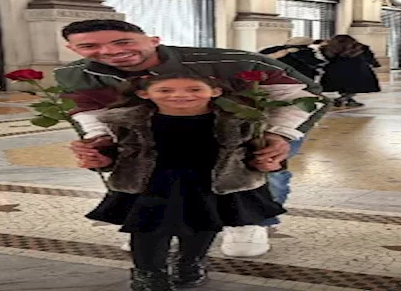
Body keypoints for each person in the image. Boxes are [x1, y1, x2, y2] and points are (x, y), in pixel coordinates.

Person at [55, 20, 328, 257]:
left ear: (153, 41)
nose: (110, 51)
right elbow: (88, 110)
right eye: (89, 46)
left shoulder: (235, 62)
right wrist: (100, 139)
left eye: (123, 42)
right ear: (73, 49)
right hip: (158, 131)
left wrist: (278, 134)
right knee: (152, 172)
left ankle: (251, 222)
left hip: (249, 127)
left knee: (257, 167)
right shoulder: (76, 74)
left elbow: (302, 96)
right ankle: (154, 222)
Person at [84, 73, 287, 290]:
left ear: (215, 91)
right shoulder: (127, 121)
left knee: (204, 224)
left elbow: (253, 152)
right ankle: (148, 272)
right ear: (144, 94)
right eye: (165, 90)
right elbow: (122, 152)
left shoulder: (240, 120)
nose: (180, 95)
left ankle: (190, 264)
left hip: (212, 182)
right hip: (151, 184)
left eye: (194, 89)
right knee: (149, 228)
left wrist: (267, 163)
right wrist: (103, 160)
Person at [320, 35, 381, 107]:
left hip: (335, 70)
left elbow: (327, 58)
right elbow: (369, 57)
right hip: (357, 70)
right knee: (357, 87)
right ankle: (343, 99)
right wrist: (375, 64)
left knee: (341, 86)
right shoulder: (360, 47)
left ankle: (348, 100)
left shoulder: (329, 48)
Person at [258, 37, 328, 82]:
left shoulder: (272, 49)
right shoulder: (304, 52)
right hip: (298, 79)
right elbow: (314, 63)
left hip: (272, 78)